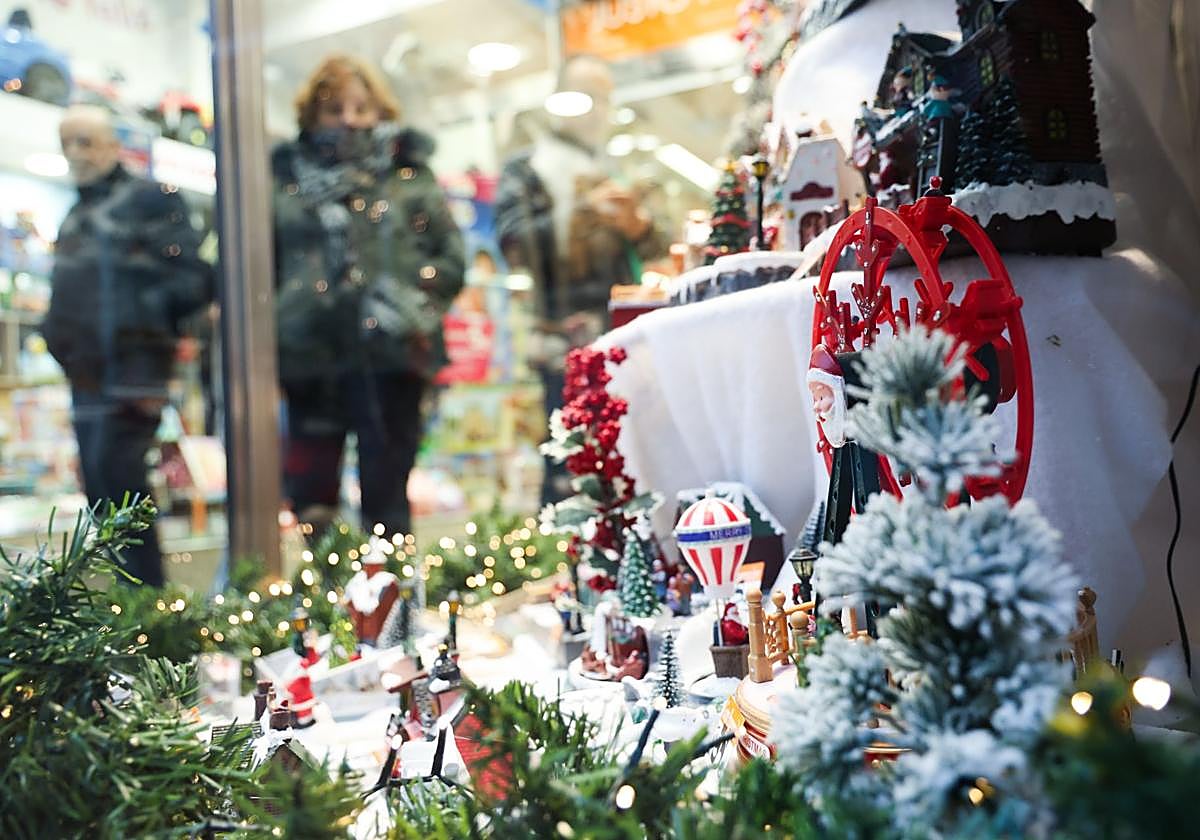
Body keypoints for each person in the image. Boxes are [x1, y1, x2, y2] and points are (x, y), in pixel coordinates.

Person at [273, 55, 464, 538]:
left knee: (387, 496)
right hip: (310, 359)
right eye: (334, 108)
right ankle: (327, 605)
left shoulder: (409, 175)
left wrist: (408, 305)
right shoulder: (282, 181)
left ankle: (392, 608)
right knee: (312, 499)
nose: (349, 120)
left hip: (392, 357)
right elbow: (264, 265)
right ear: (311, 116)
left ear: (381, 110)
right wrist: (290, 312)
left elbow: (450, 260)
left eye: (361, 107)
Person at [41, 105, 210, 586]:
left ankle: (145, 606)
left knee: (123, 487)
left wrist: (144, 335)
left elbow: (189, 280)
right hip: (90, 376)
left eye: (86, 142)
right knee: (101, 489)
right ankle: (130, 605)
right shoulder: (79, 213)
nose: (76, 154)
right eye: (68, 142)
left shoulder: (147, 200)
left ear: (114, 146)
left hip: (133, 373)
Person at [495, 54, 664, 502]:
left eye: (604, 97)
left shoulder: (617, 162)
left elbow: (661, 246)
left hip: (627, 338)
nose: (595, 108)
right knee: (572, 466)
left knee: (631, 457)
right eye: (585, 95)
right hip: (565, 344)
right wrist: (579, 211)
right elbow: (514, 242)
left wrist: (639, 227)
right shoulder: (529, 168)